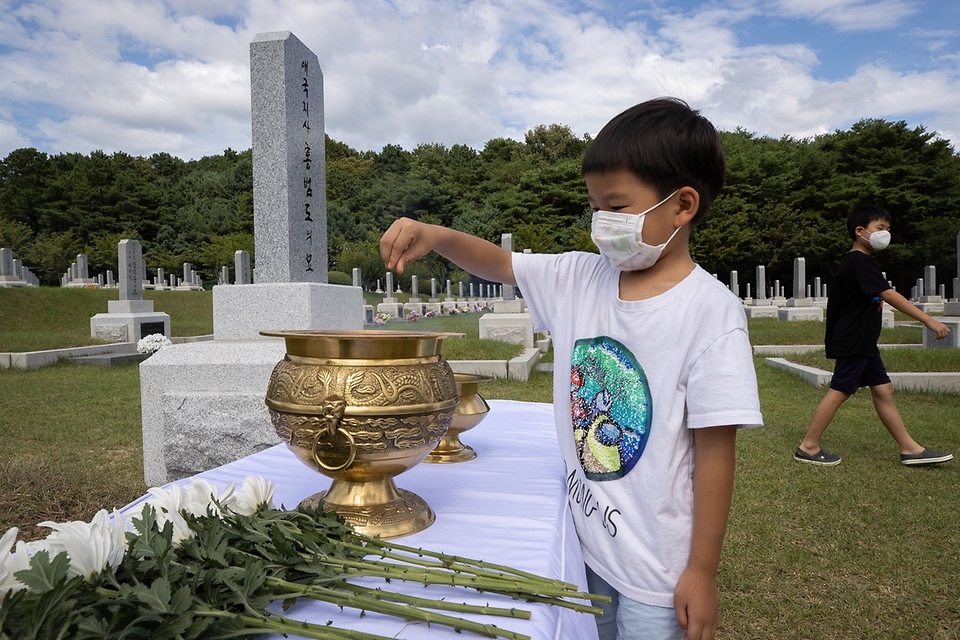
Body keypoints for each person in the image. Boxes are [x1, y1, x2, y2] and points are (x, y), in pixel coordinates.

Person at [380, 97, 763, 640]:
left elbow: (715, 450)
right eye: (595, 206)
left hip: (656, 569)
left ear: (683, 206)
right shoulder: (582, 278)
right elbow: (501, 263)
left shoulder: (710, 312)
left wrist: (701, 572)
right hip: (580, 546)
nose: (601, 224)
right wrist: (436, 236)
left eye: (618, 206)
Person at [794, 204, 954, 467]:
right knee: (840, 390)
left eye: (888, 229)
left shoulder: (862, 262)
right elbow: (889, 295)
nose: (885, 234)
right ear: (860, 231)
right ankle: (808, 446)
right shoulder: (859, 262)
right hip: (855, 340)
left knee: (883, 390)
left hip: (863, 342)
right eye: (880, 229)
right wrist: (928, 319)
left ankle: (909, 448)